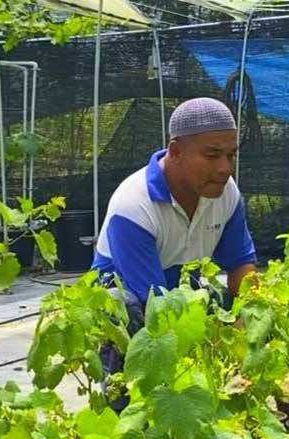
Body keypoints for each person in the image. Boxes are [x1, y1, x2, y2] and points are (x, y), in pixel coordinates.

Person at [92, 98, 257, 406]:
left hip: (182, 292)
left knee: (221, 300)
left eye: (231, 155)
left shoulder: (226, 193)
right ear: (177, 151)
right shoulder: (134, 205)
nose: (224, 168)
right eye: (212, 155)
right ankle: (123, 405)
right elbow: (155, 308)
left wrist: (248, 327)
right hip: (130, 299)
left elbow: (241, 266)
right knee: (126, 309)